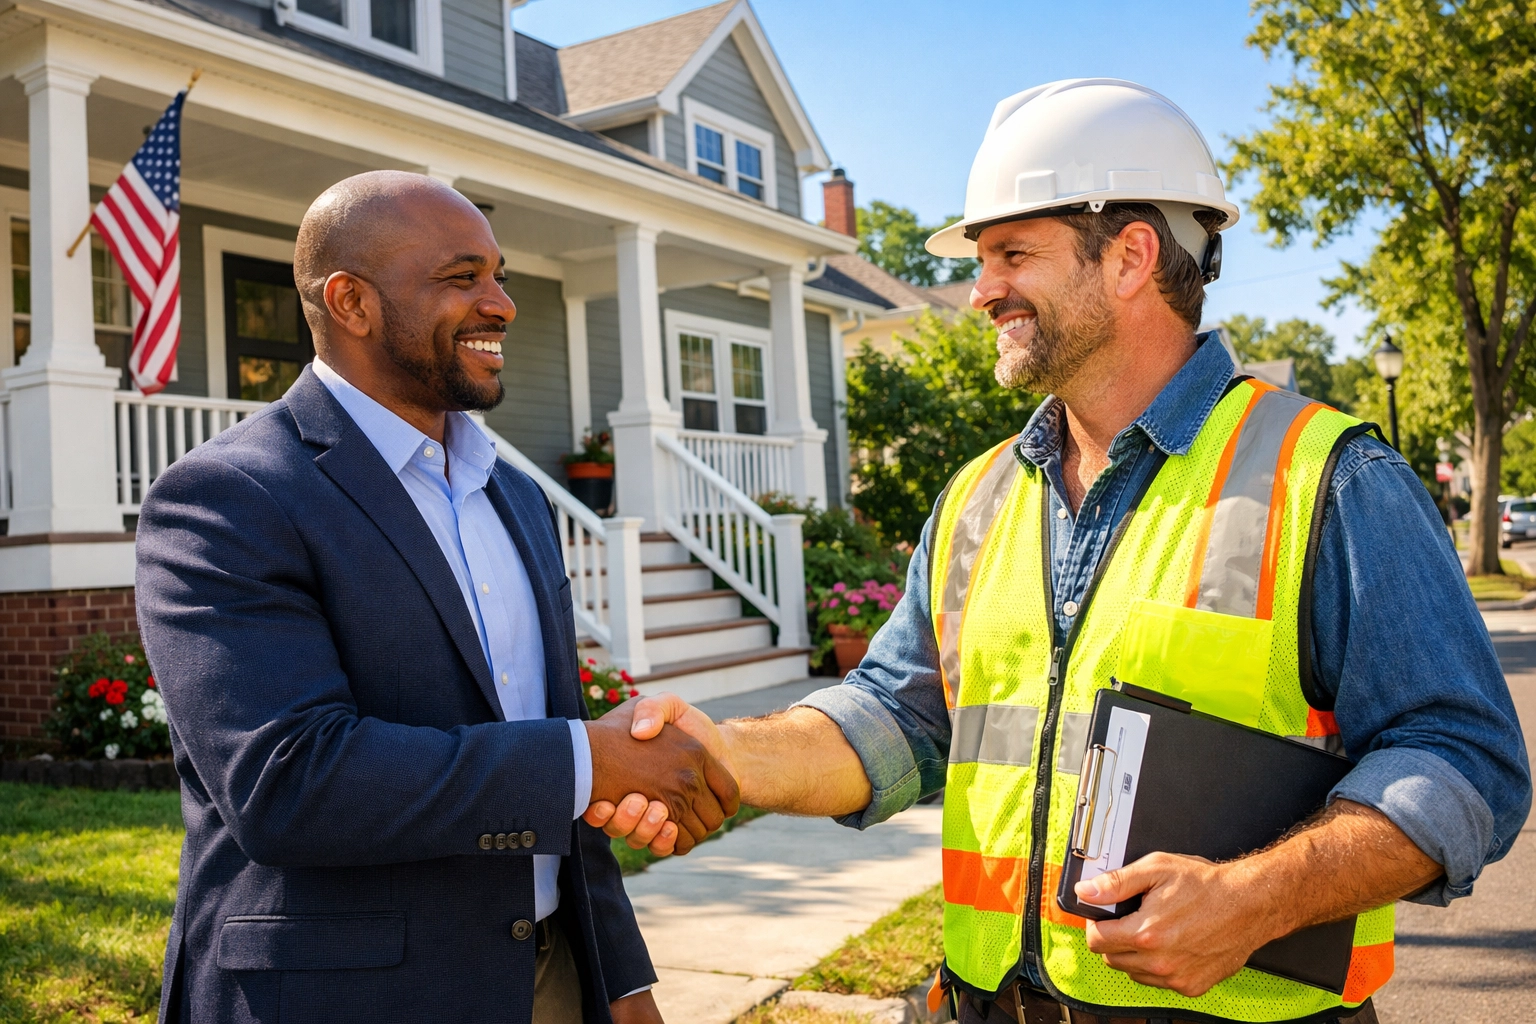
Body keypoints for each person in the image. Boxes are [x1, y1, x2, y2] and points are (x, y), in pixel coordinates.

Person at [590, 81, 1531, 1023]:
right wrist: (725, 752)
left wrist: (1254, 901)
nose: (981, 291)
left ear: (1131, 256)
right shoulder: (978, 497)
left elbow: (1462, 758)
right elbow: (899, 718)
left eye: (1011, 254)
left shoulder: (1330, 478)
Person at [136, 171, 739, 1024]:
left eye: (499, 275)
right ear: (351, 302)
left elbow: (550, 748)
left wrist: (619, 974)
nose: (501, 304)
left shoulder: (516, 496)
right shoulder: (230, 496)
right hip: (344, 997)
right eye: (462, 279)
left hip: (553, 972)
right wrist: (591, 758)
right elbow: (288, 783)